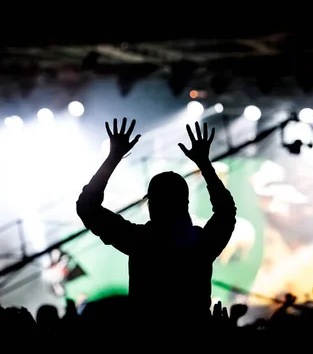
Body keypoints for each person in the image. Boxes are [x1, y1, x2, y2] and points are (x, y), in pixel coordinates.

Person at [76, 118, 236, 325]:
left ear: (151, 204)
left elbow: (87, 207)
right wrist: (204, 164)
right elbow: (226, 212)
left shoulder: (139, 241)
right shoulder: (201, 244)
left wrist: (113, 157)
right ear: (185, 203)